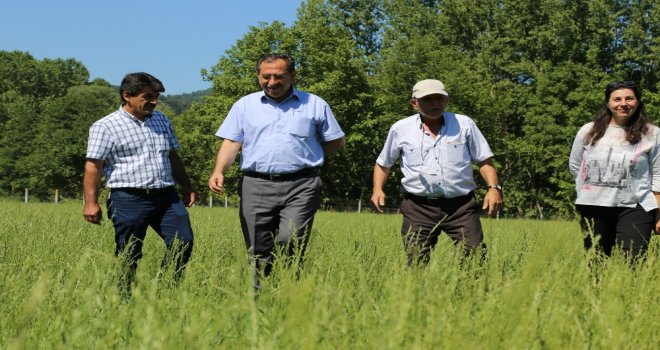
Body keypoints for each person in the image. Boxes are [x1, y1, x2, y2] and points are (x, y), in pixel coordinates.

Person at [209, 53, 345, 284]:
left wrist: (309, 156)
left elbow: (336, 141)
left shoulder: (314, 104)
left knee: (290, 239)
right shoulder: (244, 105)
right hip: (256, 184)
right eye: (266, 76)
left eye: (279, 76)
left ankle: (289, 290)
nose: (272, 82)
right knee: (257, 247)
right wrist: (219, 170)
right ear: (258, 76)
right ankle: (260, 297)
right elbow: (232, 142)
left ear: (292, 76)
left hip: (302, 185)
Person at [83, 72, 196, 297]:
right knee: (129, 251)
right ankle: (124, 299)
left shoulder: (162, 120)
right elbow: (93, 166)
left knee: (183, 241)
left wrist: (187, 185)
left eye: (156, 96)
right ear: (127, 96)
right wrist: (90, 203)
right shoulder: (105, 126)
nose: (154, 101)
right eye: (148, 96)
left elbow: (172, 156)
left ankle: (167, 292)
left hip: (166, 196)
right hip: (128, 198)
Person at [371, 79, 503, 265]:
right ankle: (419, 294)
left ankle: (471, 293)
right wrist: (378, 189)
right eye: (428, 99)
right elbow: (383, 163)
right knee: (416, 262)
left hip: (461, 207)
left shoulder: (464, 124)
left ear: (446, 100)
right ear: (414, 104)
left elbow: (484, 159)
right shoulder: (401, 129)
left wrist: (493, 187)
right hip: (418, 207)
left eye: (439, 98)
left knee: (475, 257)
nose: (435, 103)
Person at [569, 81, 659, 259]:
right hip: (594, 206)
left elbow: (658, 174)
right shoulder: (589, 130)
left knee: (635, 260)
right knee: (596, 261)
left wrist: (659, 213)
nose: (623, 103)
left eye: (629, 98)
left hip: (636, 206)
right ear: (608, 103)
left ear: (638, 102)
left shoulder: (653, 133)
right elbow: (576, 165)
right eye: (617, 99)